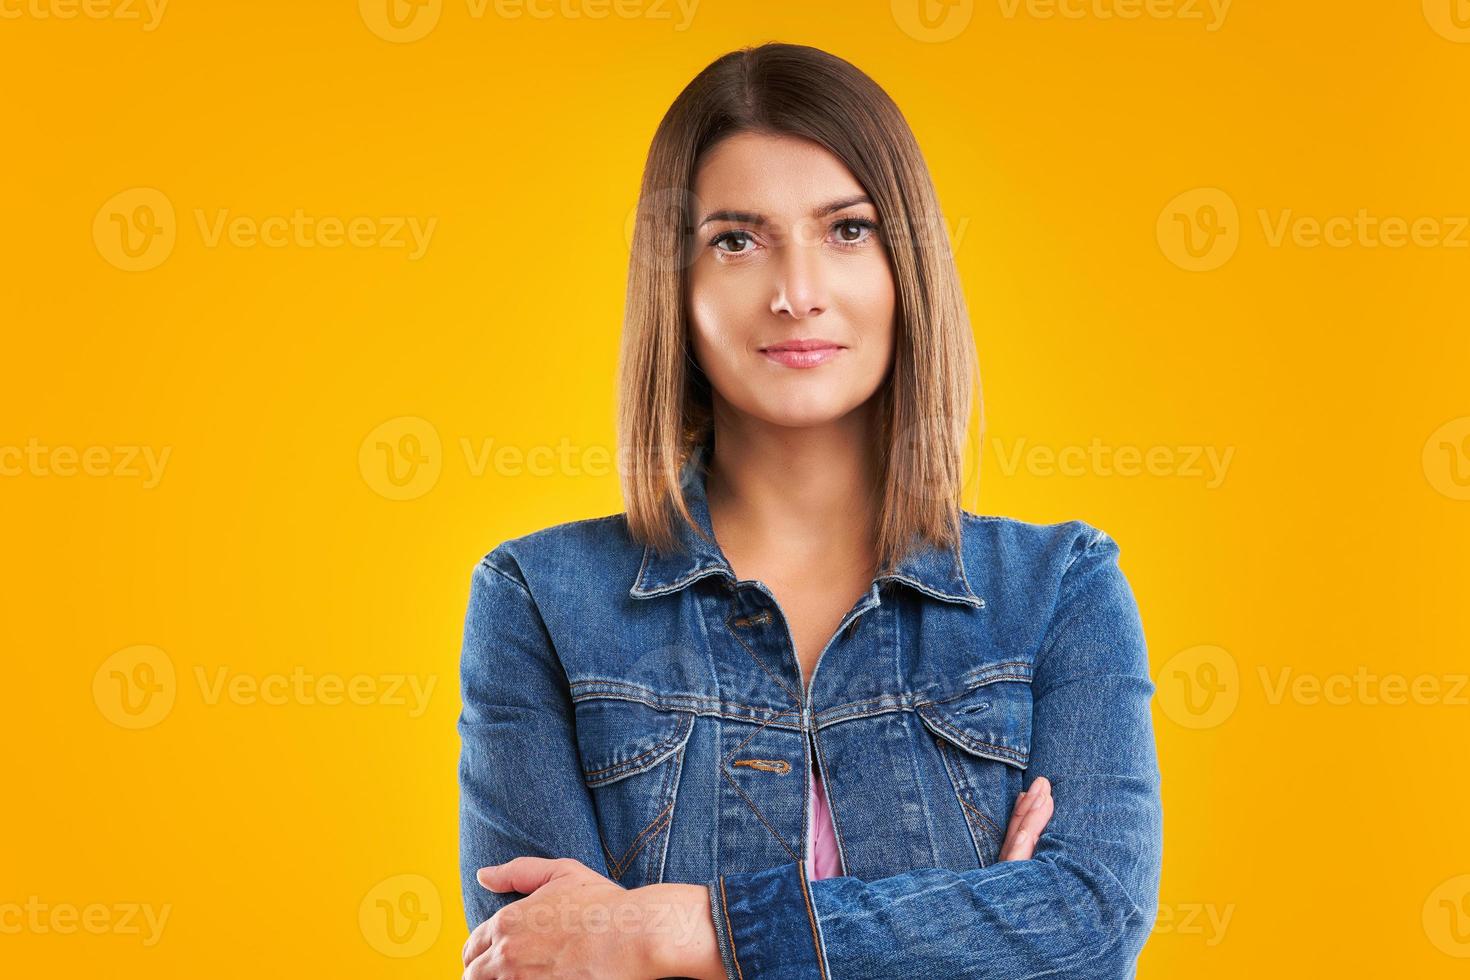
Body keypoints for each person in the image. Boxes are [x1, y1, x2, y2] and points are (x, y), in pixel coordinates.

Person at [459, 41, 1162, 979]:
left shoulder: (1058, 592)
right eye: (737, 241)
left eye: (848, 231)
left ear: (906, 263)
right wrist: (971, 926)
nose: (796, 294)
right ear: (678, 283)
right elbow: (539, 962)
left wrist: (680, 930)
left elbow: (1092, 919)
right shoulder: (538, 602)